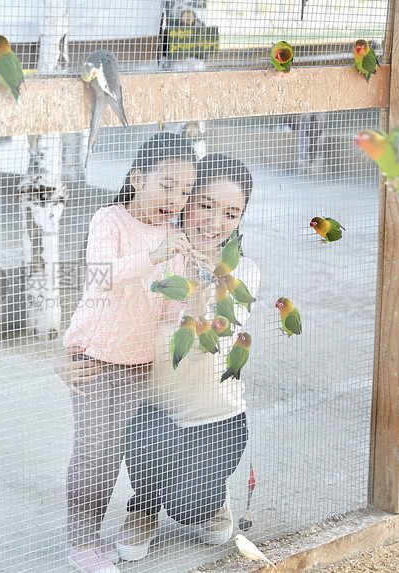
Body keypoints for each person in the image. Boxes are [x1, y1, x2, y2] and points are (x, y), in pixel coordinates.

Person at [62, 132, 199, 573]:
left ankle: (98, 532)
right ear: (138, 178)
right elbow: (101, 277)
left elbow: (167, 311)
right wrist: (157, 256)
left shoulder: (173, 237)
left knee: (117, 451)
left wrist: (192, 287)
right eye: (167, 184)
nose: (176, 198)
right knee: (94, 452)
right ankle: (81, 542)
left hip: (138, 363)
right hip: (95, 356)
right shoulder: (111, 220)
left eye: (184, 190)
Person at [114, 153, 258, 562]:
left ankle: (211, 498)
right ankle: (143, 503)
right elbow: (113, 319)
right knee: (149, 431)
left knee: (189, 508)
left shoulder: (242, 274)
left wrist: (196, 290)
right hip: (152, 411)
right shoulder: (151, 256)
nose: (215, 222)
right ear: (185, 199)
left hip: (216, 419)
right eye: (206, 205)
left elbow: (202, 347)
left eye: (231, 213)